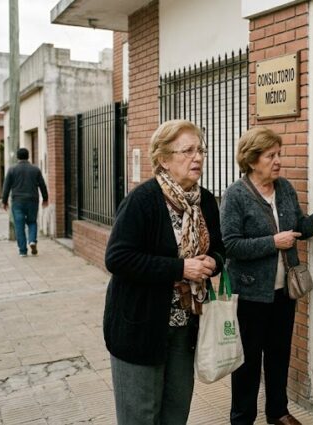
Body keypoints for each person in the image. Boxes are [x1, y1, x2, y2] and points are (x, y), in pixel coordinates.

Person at [221, 127, 313, 425]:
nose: (278, 160)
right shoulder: (235, 195)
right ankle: (242, 419)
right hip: (250, 294)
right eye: (271, 155)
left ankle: (278, 412)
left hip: (283, 291)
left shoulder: (285, 188)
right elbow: (229, 244)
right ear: (252, 160)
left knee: (279, 355)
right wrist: (272, 243)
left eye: (279, 154)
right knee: (248, 362)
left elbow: (299, 228)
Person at [104, 120, 224, 425]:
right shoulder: (142, 200)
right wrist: (181, 268)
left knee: (175, 413)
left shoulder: (205, 201)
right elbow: (118, 258)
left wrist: (213, 262)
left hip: (185, 327)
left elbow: (220, 249)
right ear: (163, 159)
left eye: (200, 150)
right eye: (187, 151)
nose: (197, 157)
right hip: (141, 327)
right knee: (140, 417)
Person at [2, 148, 49, 257]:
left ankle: (23, 251)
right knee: (32, 222)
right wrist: (45, 198)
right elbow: (42, 185)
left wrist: (4, 201)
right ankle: (32, 240)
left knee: (19, 225)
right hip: (32, 200)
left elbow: (6, 187)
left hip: (17, 201)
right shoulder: (35, 169)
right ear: (28, 156)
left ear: (17, 157)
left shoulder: (12, 170)